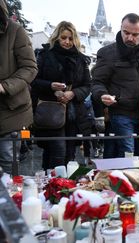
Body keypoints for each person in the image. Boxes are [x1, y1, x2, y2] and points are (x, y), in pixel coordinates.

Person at [92, 13, 139, 159]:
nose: (130, 38)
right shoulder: (107, 53)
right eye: (126, 33)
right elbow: (97, 82)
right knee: (128, 152)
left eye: (135, 34)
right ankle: (123, 180)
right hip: (120, 112)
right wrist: (102, 95)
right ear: (120, 29)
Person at [31, 21, 91, 169]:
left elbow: (87, 85)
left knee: (69, 154)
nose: (67, 41)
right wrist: (51, 86)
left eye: (70, 38)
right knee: (57, 151)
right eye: (63, 37)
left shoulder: (81, 59)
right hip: (50, 111)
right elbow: (33, 81)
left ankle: (61, 187)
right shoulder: (45, 55)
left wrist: (73, 93)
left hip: (73, 114)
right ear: (57, 37)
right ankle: (52, 185)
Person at [0, 0, 38, 174]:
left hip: (12, 110)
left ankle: (9, 200)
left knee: (8, 163)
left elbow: (30, 67)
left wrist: (5, 87)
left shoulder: (15, 31)